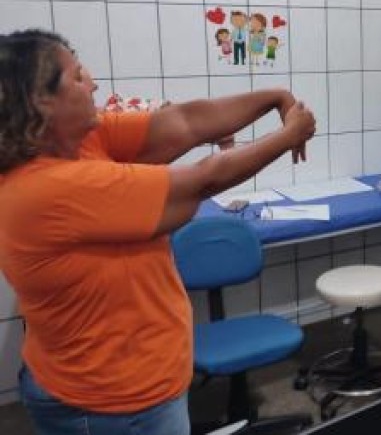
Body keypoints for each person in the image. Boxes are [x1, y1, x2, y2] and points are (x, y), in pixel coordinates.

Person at [0, 29, 316, 435]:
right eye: (77, 77)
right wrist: (289, 134)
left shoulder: (79, 142)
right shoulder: (46, 187)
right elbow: (202, 181)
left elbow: (185, 122)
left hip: (138, 383)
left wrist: (274, 98)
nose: (92, 83)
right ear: (41, 102)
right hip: (110, 402)